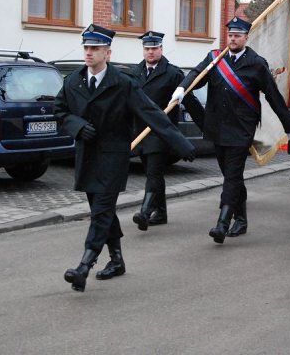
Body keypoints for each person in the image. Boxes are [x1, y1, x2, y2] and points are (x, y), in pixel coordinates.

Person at [55, 24, 195, 292]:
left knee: (101, 212)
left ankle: (84, 266)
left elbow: (151, 113)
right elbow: (59, 110)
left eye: (95, 48)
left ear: (107, 53)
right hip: (87, 156)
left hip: (113, 157)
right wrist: (76, 126)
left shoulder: (123, 83)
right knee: (102, 211)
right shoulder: (73, 81)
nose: (89, 52)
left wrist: (179, 142)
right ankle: (117, 260)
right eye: (86, 48)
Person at [172, 17, 290, 244]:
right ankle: (241, 218)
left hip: (241, 128)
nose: (233, 39)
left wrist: (289, 127)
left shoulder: (256, 64)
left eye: (237, 36)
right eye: (230, 35)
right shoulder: (215, 58)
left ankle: (223, 222)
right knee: (232, 176)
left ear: (246, 38)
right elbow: (196, 75)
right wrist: (182, 88)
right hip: (217, 127)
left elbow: (273, 96)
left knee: (232, 175)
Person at [130, 31, 205, 231]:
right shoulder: (135, 72)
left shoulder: (172, 73)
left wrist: (206, 126)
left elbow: (190, 101)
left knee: (153, 173)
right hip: (141, 133)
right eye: (147, 48)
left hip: (161, 133)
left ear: (161, 49)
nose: (150, 52)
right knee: (153, 174)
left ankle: (145, 212)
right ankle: (161, 213)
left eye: (154, 48)